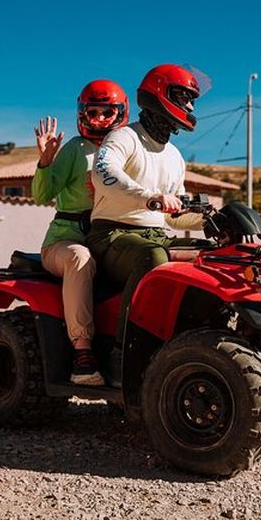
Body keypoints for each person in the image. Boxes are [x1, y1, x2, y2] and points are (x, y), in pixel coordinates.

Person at [87, 64, 207, 347]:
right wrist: (149, 197)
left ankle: (195, 338)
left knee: (215, 256)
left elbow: (174, 217)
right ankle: (126, 347)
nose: (190, 105)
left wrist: (210, 219)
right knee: (153, 258)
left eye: (192, 100)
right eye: (184, 97)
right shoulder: (124, 137)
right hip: (111, 235)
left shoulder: (175, 157)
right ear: (160, 93)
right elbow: (103, 175)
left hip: (156, 235)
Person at [32, 80, 128, 386]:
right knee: (80, 258)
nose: (99, 119)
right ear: (81, 114)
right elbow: (42, 194)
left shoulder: (128, 148)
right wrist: (46, 161)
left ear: (120, 113)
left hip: (111, 237)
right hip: (66, 240)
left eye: (107, 113)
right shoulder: (75, 149)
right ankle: (82, 353)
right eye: (93, 112)